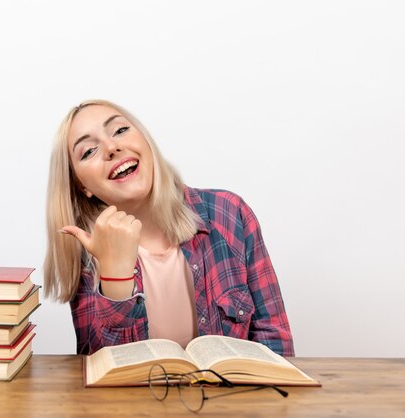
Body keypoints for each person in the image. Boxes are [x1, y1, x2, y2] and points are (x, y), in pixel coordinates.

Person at [43, 99, 295, 357]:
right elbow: (103, 370)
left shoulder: (230, 213)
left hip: (236, 396)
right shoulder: (86, 253)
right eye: (88, 151)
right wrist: (114, 273)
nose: (112, 147)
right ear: (82, 186)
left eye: (120, 130)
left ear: (145, 141)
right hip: (138, 399)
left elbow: (274, 340)